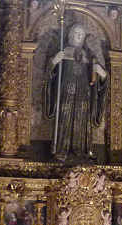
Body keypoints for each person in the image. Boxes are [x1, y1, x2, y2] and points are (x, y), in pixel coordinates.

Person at [46, 24, 108, 161]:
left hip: (83, 93)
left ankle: (81, 150)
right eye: (76, 32)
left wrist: (101, 73)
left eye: (81, 34)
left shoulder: (89, 55)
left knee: (81, 120)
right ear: (70, 35)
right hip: (65, 92)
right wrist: (54, 61)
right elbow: (50, 75)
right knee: (65, 119)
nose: (79, 35)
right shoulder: (62, 52)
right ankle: (61, 149)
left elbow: (96, 79)